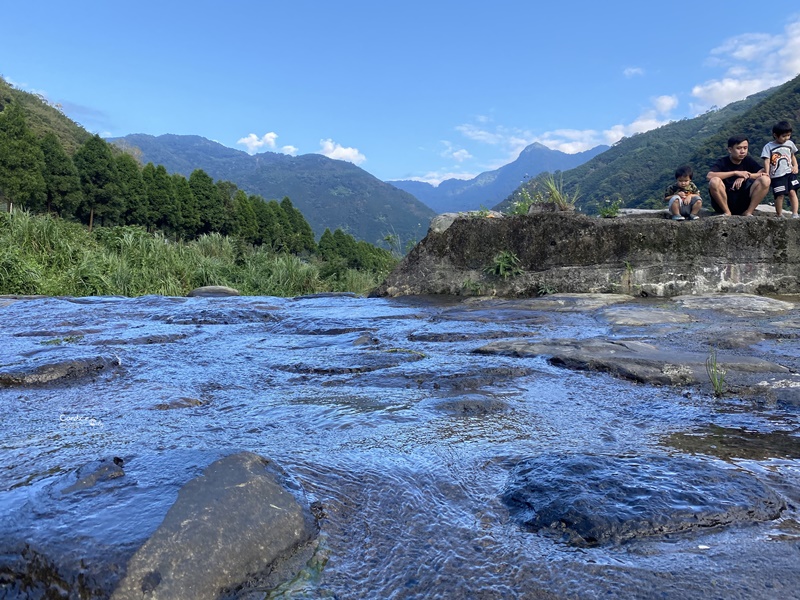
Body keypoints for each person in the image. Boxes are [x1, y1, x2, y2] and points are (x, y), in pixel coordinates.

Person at [707, 135, 770, 216]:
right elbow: (709, 176)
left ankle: (749, 212)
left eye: (745, 148)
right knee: (714, 181)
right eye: (739, 148)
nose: (743, 151)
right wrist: (735, 173)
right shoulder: (723, 162)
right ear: (730, 150)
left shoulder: (748, 160)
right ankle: (727, 212)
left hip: (743, 201)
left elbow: (763, 173)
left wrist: (745, 176)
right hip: (724, 200)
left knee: (765, 180)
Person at [760, 121, 800, 218]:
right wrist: (767, 173)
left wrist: (795, 166)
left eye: (788, 135)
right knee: (780, 195)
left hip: (789, 172)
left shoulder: (790, 144)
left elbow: (792, 156)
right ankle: (779, 214)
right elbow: (767, 160)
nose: (786, 138)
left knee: (792, 192)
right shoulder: (768, 147)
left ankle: (795, 213)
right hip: (777, 175)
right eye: (784, 136)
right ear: (775, 135)